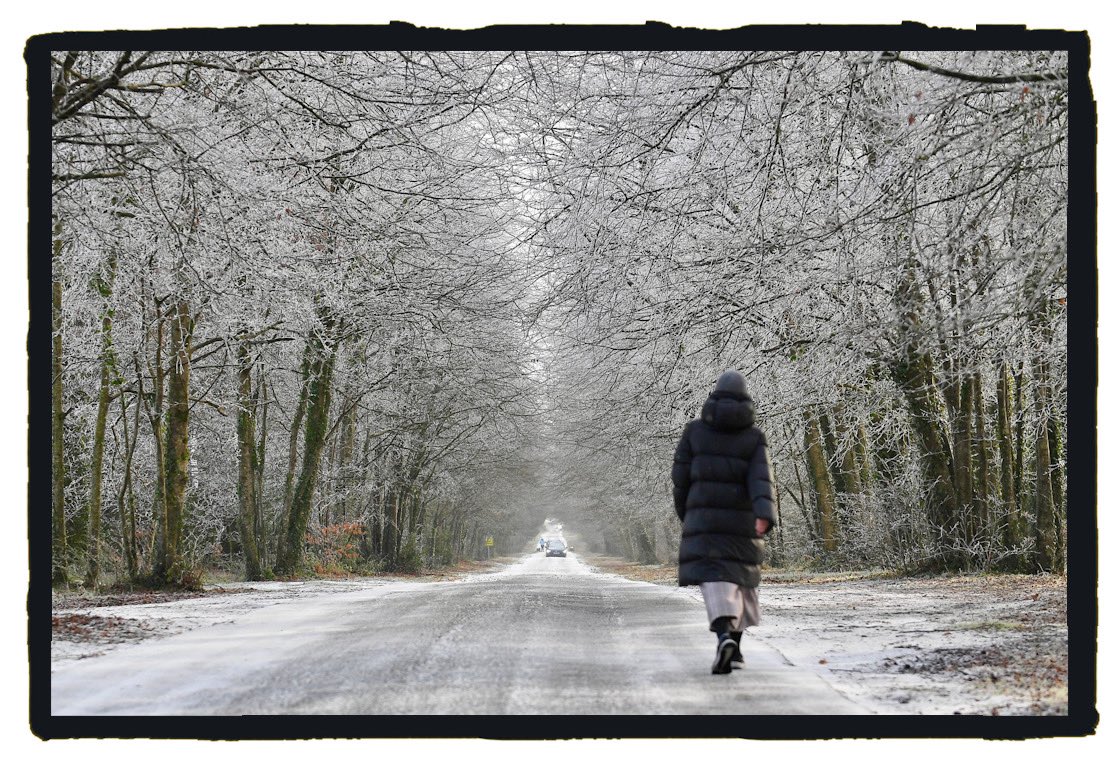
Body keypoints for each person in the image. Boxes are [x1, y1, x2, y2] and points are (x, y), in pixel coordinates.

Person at [672, 370, 776, 674]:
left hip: (704, 519)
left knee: (716, 581)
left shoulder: (694, 432)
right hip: (742, 522)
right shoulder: (754, 438)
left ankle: (723, 638)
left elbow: (680, 478)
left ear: (714, 396)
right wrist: (764, 515)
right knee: (741, 580)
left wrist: (686, 512)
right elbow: (761, 480)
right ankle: (737, 649)